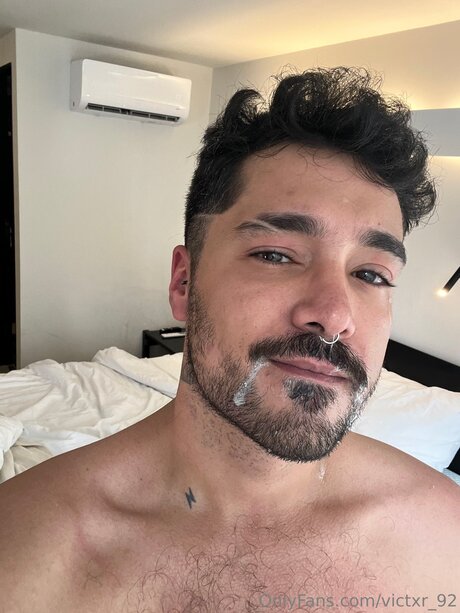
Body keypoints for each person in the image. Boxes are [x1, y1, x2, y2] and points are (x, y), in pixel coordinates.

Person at [1, 67, 458, 613]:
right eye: (276, 255)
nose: (335, 317)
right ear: (184, 283)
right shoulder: (24, 555)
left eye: (371, 275)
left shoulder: (443, 537)